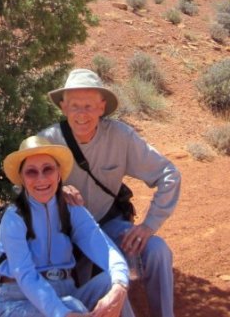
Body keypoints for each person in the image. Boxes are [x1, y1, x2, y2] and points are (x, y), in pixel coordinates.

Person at [39, 68, 181, 317]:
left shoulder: (120, 137)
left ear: (102, 107)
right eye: (74, 106)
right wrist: (54, 192)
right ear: (63, 107)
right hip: (65, 236)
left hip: (109, 225)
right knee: (110, 282)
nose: (81, 114)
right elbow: (21, 187)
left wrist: (149, 225)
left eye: (89, 106)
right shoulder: (48, 141)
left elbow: (169, 174)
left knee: (157, 251)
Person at [0, 135, 135, 317]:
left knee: (112, 284)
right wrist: (63, 313)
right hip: (17, 302)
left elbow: (104, 248)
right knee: (73, 306)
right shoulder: (14, 218)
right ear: (21, 178)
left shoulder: (70, 208)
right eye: (31, 172)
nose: (41, 178)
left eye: (48, 169)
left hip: (67, 292)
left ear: (59, 174)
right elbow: (26, 275)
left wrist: (120, 286)